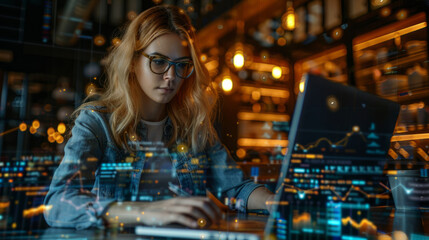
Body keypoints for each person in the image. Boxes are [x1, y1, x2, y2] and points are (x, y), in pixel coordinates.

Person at [43, 5, 274, 230]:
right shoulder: (97, 123)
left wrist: (275, 202)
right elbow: (58, 203)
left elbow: (237, 188)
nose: (171, 76)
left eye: (182, 65)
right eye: (159, 62)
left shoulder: (193, 126)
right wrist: (147, 212)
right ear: (133, 62)